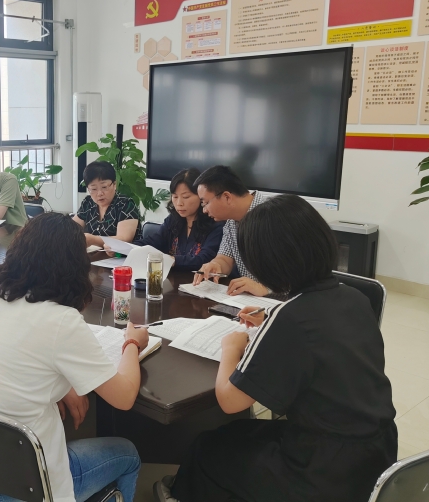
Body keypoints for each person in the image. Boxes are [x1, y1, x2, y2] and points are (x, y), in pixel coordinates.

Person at [155, 195, 397, 502]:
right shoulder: (355, 298)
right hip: (377, 455)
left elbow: (230, 401)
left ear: (268, 263)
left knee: (209, 447)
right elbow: (321, 336)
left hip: (321, 473)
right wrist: (270, 317)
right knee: (240, 435)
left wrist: (231, 347)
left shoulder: (291, 318)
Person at [0, 213, 147, 502]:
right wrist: (132, 342)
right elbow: (125, 397)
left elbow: (15, 355)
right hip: (25, 488)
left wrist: (63, 384)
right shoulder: (61, 321)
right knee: (127, 454)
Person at [192, 165, 269, 296]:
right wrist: (216, 265)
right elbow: (225, 258)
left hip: (283, 301)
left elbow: (294, 272)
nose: (204, 210)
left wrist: (264, 288)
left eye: (205, 203)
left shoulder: (272, 216)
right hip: (250, 299)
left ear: (227, 197)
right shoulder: (231, 221)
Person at [135, 168, 223, 270]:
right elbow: (154, 241)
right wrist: (126, 248)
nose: (179, 203)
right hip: (170, 278)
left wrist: (173, 260)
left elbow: (205, 259)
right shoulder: (173, 219)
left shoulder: (215, 223)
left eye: (185, 197)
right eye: (175, 197)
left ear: (201, 197)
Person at [73, 161, 142, 247]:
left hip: (122, 254)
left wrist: (93, 240)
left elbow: (124, 239)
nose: (99, 193)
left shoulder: (126, 204)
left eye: (104, 187)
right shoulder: (88, 203)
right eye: (93, 189)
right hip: (94, 254)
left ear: (114, 184)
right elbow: (72, 229)